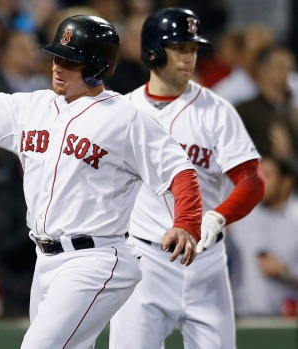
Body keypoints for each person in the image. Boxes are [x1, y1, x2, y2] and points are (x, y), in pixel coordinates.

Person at [0, 4, 204, 348]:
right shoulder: (31, 106)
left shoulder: (125, 119)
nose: (57, 66)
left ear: (97, 67)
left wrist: (187, 221)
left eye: (70, 60)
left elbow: (180, 170)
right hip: (46, 258)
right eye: (56, 56)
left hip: (96, 259)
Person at [109, 8, 265, 349]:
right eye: (179, 47)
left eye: (193, 49)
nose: (189, 57)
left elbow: (252, 179)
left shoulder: (217, 109)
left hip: (206, 261)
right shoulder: (122, 111)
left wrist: (219, 215)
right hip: (143, 262)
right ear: (153, 50)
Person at [227, 155, 298, 317]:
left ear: (286, 183)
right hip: (245, 318)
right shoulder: (243, 214)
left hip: (287, 322)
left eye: (267, 175)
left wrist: (285, 272)